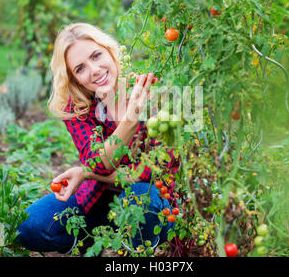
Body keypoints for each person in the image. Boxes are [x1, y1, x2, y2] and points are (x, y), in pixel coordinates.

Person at [15, 23, 180, 255]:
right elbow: (98, 161)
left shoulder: (152, 93)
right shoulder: (77, 108)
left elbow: (149, 174)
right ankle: (93, 239)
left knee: (142, 200)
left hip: (148, 204)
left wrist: (86, 173)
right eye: (80, 68)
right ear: (74, 79)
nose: (93, 70)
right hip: (97, 202)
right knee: (29, 227)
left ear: (110, 51)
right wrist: (130, 121)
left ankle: (137, 245)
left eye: (96, 55)